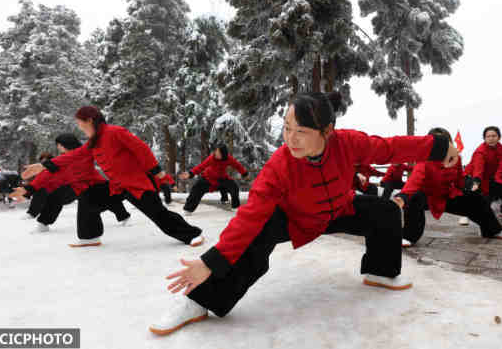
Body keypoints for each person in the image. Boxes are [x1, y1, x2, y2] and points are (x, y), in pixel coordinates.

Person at [148, 92, 459, 336]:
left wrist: (439, 146)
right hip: (294, 217)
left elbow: (390, 148)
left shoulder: (348, 143)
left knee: (386, 210)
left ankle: (380, 271)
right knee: (256, 234)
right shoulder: (279, 166)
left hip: (339, 208)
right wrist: (210, 262)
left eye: (301, 131)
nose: (290, 139)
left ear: (327, 131)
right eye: (286, 129)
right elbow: (248, 216)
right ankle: (200, 301)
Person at [21, 106, 204, 248]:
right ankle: (89, 237)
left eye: (80, 123)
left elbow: (141, 149)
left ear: (90, 120)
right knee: (88, 197)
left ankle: (192, 234)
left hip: (135, 184)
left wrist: (157, 171)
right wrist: (42, 166)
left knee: (158, 213)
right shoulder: (93, 142)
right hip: (116, 186)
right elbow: (73, 155)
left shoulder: (114, 132)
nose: (80, 127)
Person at [395, 128, 502, 247]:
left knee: (476, 198)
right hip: (427, 196)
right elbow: (415, 179)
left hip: (447, 195)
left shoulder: (455, 158)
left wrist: (470, 185)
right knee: (413, 198)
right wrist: (403, 195)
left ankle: (493, 231)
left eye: (443, 141)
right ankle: (408, 236)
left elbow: (459, 180)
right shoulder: (424, 160)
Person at [13, 134, 131, 233]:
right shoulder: (62, 159)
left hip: (94, 185)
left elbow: (68, 160)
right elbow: (47, 175)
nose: (58, 147)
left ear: (63, 145)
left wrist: (44, 166)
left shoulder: (81, 154)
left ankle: (124, 216)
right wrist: (29, 189)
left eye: (58, 145)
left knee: (107, 199)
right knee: (55, 197)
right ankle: (43, 224)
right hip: (75, 187)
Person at [179, 144, 248, 214]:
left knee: (234, 187)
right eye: (216, 152)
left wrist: (244, 173)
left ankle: (235, 206)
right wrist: (190, 173)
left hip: (222, 178)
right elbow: (201, 166)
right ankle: (188, 209)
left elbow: (237, 165)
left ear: (223, 154)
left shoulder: (228, 159)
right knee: (197, 188)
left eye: (218, 153)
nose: (215, 154)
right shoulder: (212, 158)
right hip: (208, 178)